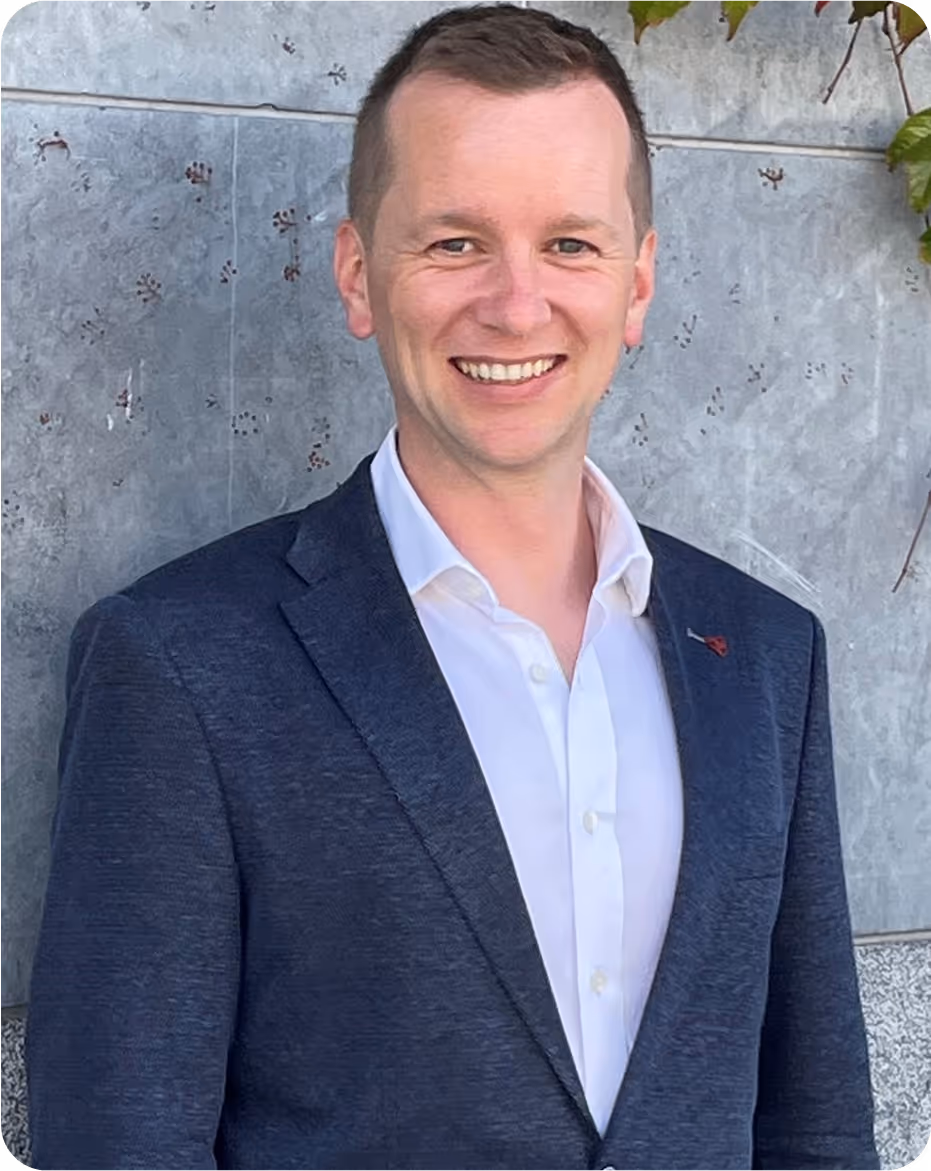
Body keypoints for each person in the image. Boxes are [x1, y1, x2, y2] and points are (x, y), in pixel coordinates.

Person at [25, 5, 879, 1169]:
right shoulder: (180, 662)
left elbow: (816, 1120)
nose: (517, 304)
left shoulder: (767, 653)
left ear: (637, 285)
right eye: (454, 243)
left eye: (570, 244)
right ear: (358, 273)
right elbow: (121, 1137)